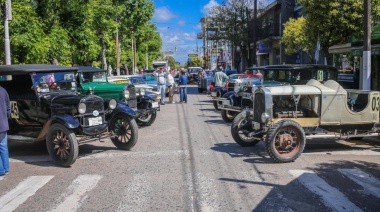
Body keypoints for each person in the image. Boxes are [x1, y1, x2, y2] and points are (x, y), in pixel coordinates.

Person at [0, 85, 10, 178]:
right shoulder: (3, 90)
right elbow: (8, 106)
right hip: (3, 123)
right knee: (3, 147)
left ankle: (1, 170)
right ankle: (6, 168)